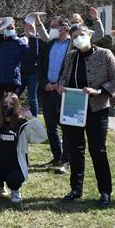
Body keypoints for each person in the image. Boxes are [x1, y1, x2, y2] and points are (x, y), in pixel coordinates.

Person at [58, 25, 115, 206]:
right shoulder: (71, 56)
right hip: (73, 107)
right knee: (75, 150)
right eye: (75, 37)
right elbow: (64, 77)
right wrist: (61, 86)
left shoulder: (104, 54)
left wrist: (99, 90)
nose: (79, 39)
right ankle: (76, 189)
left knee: (97, 150)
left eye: (82, 35)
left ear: (89, 35)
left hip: (97, 108)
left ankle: (104, 191)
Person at [37, 15, 71, 173]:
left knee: (66, 127)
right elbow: (41, 66)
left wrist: (60, 84)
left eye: (53, 26)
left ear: (63, 28)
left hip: (63, 91)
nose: (51, 29)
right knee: (51, 127)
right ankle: (57, 156)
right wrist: (46, 84)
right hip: (48, 90)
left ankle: (66, 160)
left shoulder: (73, 46)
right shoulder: (49, 44)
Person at [0, 18, 28, 109]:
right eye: (6, 27)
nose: (8, 30)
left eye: (11, 27)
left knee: (12, 106)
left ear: (15, 27)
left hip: (12, 79)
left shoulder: (20, 42)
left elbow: (31, 54)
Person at [18, 20, 44, 115]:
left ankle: (34, 119)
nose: (28, 26)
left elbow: (37, 54)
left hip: (34, 73)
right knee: (14, 95)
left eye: (30, 24)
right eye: (26, 24)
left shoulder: (40, 38)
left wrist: (33, 37)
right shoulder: (20, 38)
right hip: (21, 72)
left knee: (32, 98)